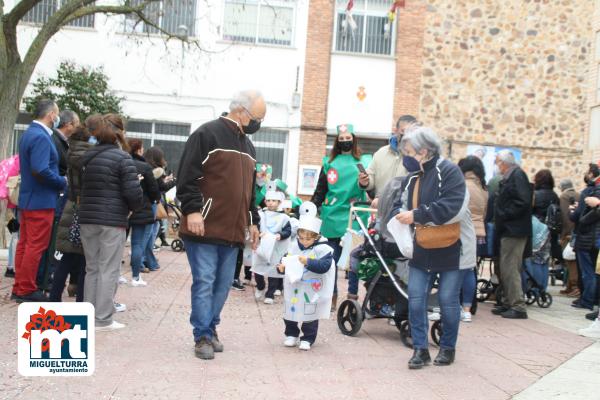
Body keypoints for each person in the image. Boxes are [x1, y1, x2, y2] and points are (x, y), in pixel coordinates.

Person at [176, 90, 263, 360]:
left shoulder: (248, 147)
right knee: (205, 281)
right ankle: (201, 334)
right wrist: (192, 210)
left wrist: (253, 222)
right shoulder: (207, 134)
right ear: (241, 112)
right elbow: (186, 175)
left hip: (233, 230)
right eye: (258, 118)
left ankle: (211, 328)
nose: (259, 123)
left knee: (223, 284)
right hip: (203, 226)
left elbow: (249, 192)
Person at [392, 126, 475, 369]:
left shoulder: (449, 171)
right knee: (416, 300)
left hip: (453, 247)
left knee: (448, 300)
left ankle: (448, 348)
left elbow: (452, 208)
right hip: (423, 246)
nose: (405, 156)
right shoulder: (413, 177)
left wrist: (416, 215)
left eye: (408, 151)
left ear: (424, 151)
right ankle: (420, 349)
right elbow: (401, 203)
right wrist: (400, 213)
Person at [79, 114, 143, 331]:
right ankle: (103, 318)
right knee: (109, 269)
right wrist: (134, 207)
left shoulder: (86, 157)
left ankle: (88, 317)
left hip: (87, 218)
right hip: (112, 219)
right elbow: (133, 193)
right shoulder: (122, 158)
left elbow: (75, 189)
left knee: (92, 269)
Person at [11, 99, 67, 303]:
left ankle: (20, 286)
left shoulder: (29, 133)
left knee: (25, 245)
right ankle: (26, 289)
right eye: (57, 113)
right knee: (35, 246)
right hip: (41, 200)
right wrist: (62, 181)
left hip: (29, 199)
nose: (57, 117)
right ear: (52, 114)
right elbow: (41, 169)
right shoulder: (42, 137)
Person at [311, 123, 370, 310]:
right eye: (342, 139)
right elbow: (321, 189)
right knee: (331, 260)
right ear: (337, 141)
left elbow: (370, 188)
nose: (345, 142)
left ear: (354, 139)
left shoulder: (365, 162)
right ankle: (332, 295)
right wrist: (311, 207)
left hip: (354, 216)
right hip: (332, 217)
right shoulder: (329, 163)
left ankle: (352, 296)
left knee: (353, 260)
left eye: (348, 138)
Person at [277, 205, 335, 351]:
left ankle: (308, 337)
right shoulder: (294, 246)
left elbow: (324, 266)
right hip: (295, 287)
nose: (304, 241)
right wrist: (282, 267)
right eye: (301, 238)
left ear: (316, 236)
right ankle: (291, 334)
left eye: (308, 239)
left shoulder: (324, 249)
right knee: (290, 309)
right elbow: (286, 259)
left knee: (310, 312)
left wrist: (308, 262)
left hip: (312, 288)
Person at [50, 124, 93, 302]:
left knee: (66, 258)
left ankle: (54, 297)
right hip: (84, 209)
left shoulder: (70, 152)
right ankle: (80, 300)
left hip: (70, 206)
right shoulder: (88, 157)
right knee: (84, 261)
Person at [492, 150, 533, 319]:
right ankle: (509, 302)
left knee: (510, 268)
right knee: (506, 267)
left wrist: (503, 214)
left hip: (514, 230)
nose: (497, 166)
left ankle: (517, 306)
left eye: (497, 162)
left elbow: (522, 201)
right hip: (510, 229)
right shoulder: (513, 175)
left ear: (503, 162)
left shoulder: (517, 175)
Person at [457, 155, 488, 322]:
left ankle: (456, 306)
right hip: (479, 233)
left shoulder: (463, 186)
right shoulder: (482, 187)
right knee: (470, 270)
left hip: (463, 231)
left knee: (457, 270)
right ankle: (467, 308)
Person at [358, 115, 415, 200]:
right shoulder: (381, 153)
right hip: (380, 208)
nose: (406, 135)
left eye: (410, 132)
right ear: (396, 131)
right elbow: (371, 175)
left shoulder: (417, 156)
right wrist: (365, 182)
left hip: (404, 210)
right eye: (403, 131)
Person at [128, 139, 161, 285]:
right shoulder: (145, 167)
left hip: (123, 209)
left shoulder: (123, 162)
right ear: (140, 150)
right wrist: (155, 199)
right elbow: (154, 190)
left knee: (118, 245)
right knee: (137, 244)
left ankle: (116, 275)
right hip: (142, 208)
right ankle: (135, 277)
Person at [569, 163, 600, 311]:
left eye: (588, 172)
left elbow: (580, 217)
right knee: (593, 271)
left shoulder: (590, 191)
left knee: (588, 272)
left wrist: (574, 213)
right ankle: (592, 300)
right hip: (594, 238)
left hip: (588, 237)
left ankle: (587, 300)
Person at [252, 190, 291, 304]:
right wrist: (259, 233)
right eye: (268, 200)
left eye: (274, 200)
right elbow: (256, 226)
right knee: (258, 268)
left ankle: (270, 294)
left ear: (279, 202)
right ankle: (260, 286)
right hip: (262, 247)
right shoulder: (261, 214)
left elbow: (288, 231)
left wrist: (280, 235)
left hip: (275, 248)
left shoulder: (284, 218)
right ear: (265, 201)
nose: (270, 203)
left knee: (273, 272)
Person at [144, 146, 176, 248]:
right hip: (152, 203)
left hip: (143, 202)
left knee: (149, 231)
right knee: (151, 230)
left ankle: (146, 256)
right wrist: (174, 181)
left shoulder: (144, 167)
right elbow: (161, 187)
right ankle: (146, 256)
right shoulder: (156, 171)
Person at [558, 179, 579, 297]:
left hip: (568, 233)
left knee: (569, 261)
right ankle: (570, 286)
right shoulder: (578, 195)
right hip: (577, 231)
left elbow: (565, 217)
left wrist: (564, 234)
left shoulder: (564, 197)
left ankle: (574, 286)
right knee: (573, 260)